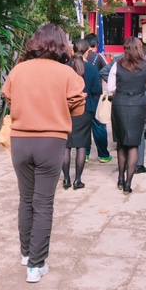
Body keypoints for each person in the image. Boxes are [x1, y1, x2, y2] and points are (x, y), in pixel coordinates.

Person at [2, 23, 86, 283]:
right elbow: (78, 107)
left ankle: (27, 254)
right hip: (51, 141)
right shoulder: (67, 74)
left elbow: (9, 99)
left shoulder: (18, 70)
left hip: (20, 141)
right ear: (62, 45)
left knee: (25, 199)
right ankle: (36, 266)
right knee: (43, 202)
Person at [107, 37, 146, 194]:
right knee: (134, 144)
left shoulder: (117, 65)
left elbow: (111, 88)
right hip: (138, 104)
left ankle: (120, 177)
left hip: (120, 103)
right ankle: (128, 183)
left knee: (121, 142)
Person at [62, 38, 101, 191]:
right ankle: (78, 180)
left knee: (65, 146)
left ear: (73, 49)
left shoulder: (65, 68)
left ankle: (66, 179)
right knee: (81, 146)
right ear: (87, 51)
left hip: (66, 110)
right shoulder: (92, 69)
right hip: (85, 110)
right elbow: (97, 90)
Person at [84, 34, 112, 164]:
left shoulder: (79, 58)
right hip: (95, 96)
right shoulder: (98, 56)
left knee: (84, 126)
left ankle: (85, 154)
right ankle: (103, 154)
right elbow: (108, 70)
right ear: (96, 44)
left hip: (80, 97)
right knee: (99, 125)